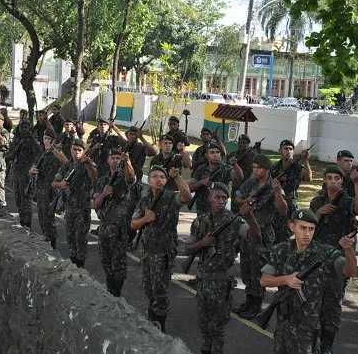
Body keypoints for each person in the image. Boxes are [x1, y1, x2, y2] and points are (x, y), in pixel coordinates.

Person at [261, 209, 358, 354]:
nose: (307, 234)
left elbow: (350, 272)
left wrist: (349, 250)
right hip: (284, 322)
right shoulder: (280, 250)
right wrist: (286, 279)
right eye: (303, 228)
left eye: (311, 229)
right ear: (292, 227)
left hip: (309, 325)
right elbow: (264, 281)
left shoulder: (326, 253)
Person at [185, 183, 261, 354]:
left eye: (224, 198)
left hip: (221, 285)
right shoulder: (200, 221)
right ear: (209, 197)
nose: (221, 201)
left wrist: (250, 217)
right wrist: (201, 243)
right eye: (217, 197)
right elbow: (187, 249)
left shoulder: (234, 221)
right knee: (204, 327)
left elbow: (256, 238)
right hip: (203, 283)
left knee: (217, 329)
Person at [309, 165, 358, 354]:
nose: (333, 182)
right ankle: (311, 343)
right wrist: (319, 213)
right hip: (316, 259)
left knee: (332, 307)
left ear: (342, 181)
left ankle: (327, 346)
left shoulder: (347, 201)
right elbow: (306, 228)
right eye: (330, 178)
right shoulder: (317, 201)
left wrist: (357, 184)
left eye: (337, 178)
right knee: (313, 303)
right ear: (324, 179)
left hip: (337, 260)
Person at [131, 165, 191, 333]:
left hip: (164, 253)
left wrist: (177, 177)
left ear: (166, 181)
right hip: (147, 252)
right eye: (155, 177)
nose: (158, 179)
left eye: (162, 177)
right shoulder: (144, 201)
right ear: (149, 180)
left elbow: (187, 197)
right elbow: (133, 223)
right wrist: (145, 219)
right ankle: (152, 320)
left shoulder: (171, 197)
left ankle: (160, 326)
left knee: (160, 290)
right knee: (148, 287)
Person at [233, 154, 288, 319]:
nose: (256, 171)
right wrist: (245, 200)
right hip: (247, 230)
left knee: (259, 270)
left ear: (267, 169)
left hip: (263, 234)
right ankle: (248, 301)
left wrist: (277, 192)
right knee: (247, 268)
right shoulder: (251, 182)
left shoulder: (274, 186)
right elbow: (237, 197)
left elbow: (283, 210)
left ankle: (256, 304)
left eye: (259, 168)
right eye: (254, 168)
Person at [92, 148, 136, 296]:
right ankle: (110, 291)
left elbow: (131, 178)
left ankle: (116, 293)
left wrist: (127, 161)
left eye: (118, 158)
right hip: (104, 227)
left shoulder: (124, 177)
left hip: (119, 229)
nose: (115, 161)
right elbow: (96, 204)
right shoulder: (102, 180)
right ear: (108, 160)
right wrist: (104, 194)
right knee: (106, 262)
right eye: (113, 158)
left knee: (119, 264)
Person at [52, 139, 97, 268]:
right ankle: (73, 264)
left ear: (83, 152)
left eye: (79, 150)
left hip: (82, 208)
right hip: (69, 207)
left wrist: (87, 163)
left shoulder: (88, 164)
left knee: (80, 239)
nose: (76, 152)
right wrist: (60, 184)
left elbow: (94, 177)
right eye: (74, 149)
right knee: (70, 238)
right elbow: (54, 182)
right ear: (70, 150)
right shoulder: (67, 165)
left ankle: (80, 267)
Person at [29, 128, 67, 249]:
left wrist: (53, 149)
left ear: (54, 140)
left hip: (50, 191)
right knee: (41, 217)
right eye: (45, 138)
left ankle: (52, 243)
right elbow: (34, 166)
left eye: (49, 139)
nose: (46, 141)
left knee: (48, 219)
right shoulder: (43, 154)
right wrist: (32, 171)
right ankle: (47, 239)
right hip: (40, 190)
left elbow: (66, 162)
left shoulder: (56, 153)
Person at [270, 140, 313, 243]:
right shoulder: (275, 168)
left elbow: (308, 178)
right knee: (273, 234)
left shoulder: (297, 167)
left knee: (289, 235)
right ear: (280, 150)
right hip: (275, 203)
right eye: (285, 149)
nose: (288, 151)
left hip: (290, 205)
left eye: (291, 149)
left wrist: (306, 160)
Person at [188, 142, 243, 215]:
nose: (216, 155)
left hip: (219, 209)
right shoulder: (201, 169)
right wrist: (201, 182)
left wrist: (235, 165)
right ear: (206, 155)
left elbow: (240, 177)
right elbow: (190, 188)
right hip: (202, 210)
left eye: (217, 152)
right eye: (212, 152)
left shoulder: (226, 169)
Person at [8, 121, 42, 228]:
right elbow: (8, 156)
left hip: (27, 176)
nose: (24, 129)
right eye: (22, 127)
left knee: (26, 202)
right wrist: (14, 153)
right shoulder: (17, 141)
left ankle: (27, 226)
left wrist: (31, 138)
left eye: (26, 127)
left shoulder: (33, 142)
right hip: (17, 174)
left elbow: (40, 151)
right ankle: (22, 222)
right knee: (18, 201)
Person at [226, 134, 262, 213]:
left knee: (246, 211)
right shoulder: (233, 154)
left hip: (247, 187)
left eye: (247, 143)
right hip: (235, 187)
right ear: (238, 143)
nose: (245, 145)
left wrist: (258, 149)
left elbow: (262, 161)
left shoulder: (252, 155)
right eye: (242, 143)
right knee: (234, 211)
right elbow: (226, 166)